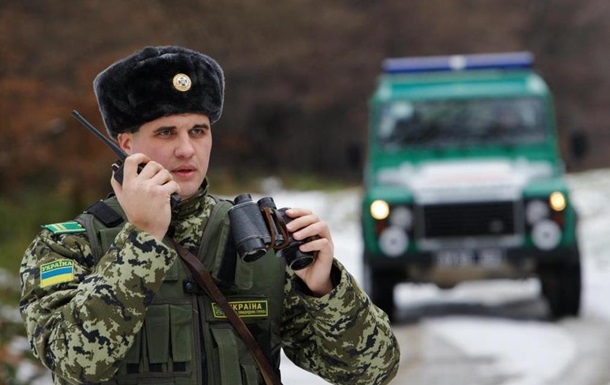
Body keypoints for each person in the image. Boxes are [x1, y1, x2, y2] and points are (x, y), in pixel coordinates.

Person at [19, 46, 400, 385]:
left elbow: (371, 372)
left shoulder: (257, 238)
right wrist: (143, 238)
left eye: (198, 131)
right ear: (126, 143)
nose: (187, 150)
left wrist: (325, 289)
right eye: (167, 132)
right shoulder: (68, 245)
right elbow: (73, 363)